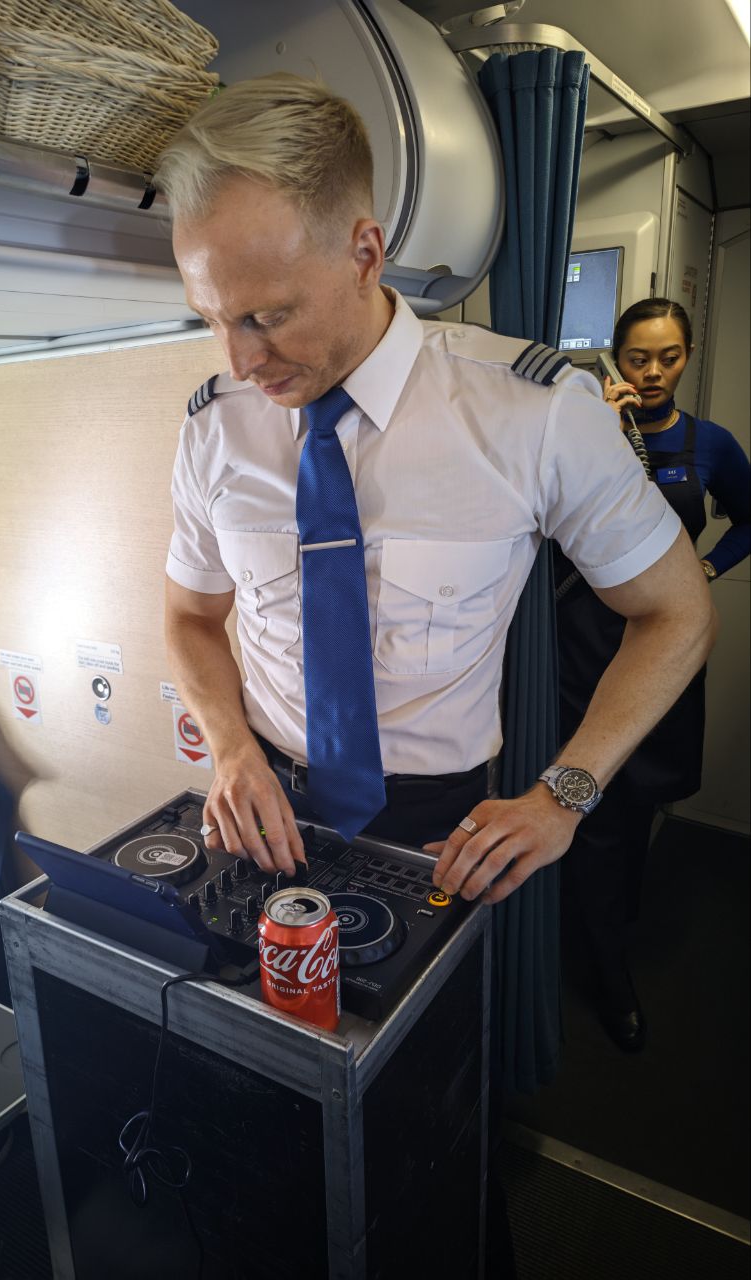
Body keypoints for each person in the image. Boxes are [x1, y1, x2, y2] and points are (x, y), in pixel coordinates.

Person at [154, 74, 715, 1275]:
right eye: (211, 317)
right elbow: (191, 616)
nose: (239, 356)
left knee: (429, 1130)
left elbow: (675, 611)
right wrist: (231, 744)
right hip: (263, 806)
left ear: (366, 250)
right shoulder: (213, 425)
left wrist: (566, 792)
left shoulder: (530, 411)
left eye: (267, 315)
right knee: (259, 1116)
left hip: (434, 828)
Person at [555, 297, 750, 1052]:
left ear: (687, 356)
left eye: (668, 357)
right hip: (584, 644)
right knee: (592, 807)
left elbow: (747, 517)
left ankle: (608, 926)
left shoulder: (710, 444)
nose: (653, 372)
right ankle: (608, 972)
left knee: (637, 804)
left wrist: (706, 570)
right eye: (638, 358)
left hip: (663, 646)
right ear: (616, 358)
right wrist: (598, 435)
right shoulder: (589, 432)